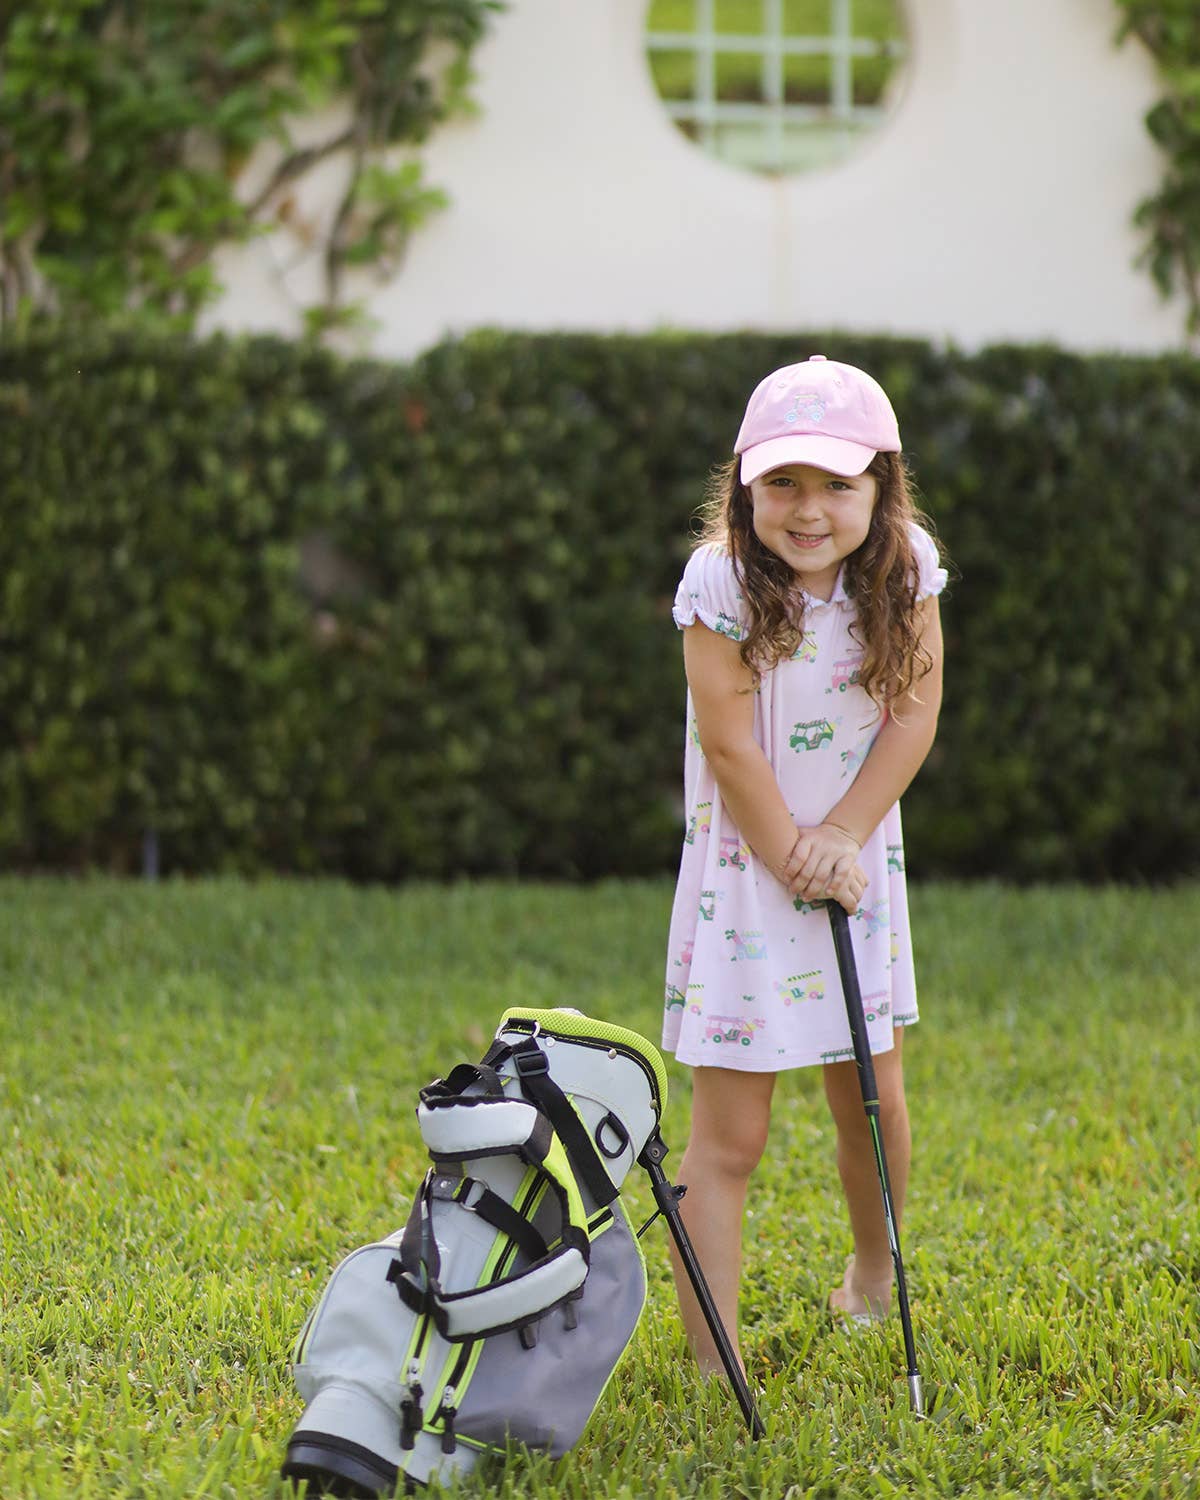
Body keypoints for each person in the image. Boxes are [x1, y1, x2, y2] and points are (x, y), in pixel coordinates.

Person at [661, 354, 947, 1372]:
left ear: (882, 484)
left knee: (868, 1097)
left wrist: (840, 838)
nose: (809, 508)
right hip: (749, 875)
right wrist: (789, 851)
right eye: (784, 482)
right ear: (745, 483)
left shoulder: (907, 568)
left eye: (837, 483)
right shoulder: (722, 583)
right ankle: (712, 1357)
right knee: (726, 1137)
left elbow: (912, 717)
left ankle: (874, 1269)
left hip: (853, 866)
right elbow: (731, 742)